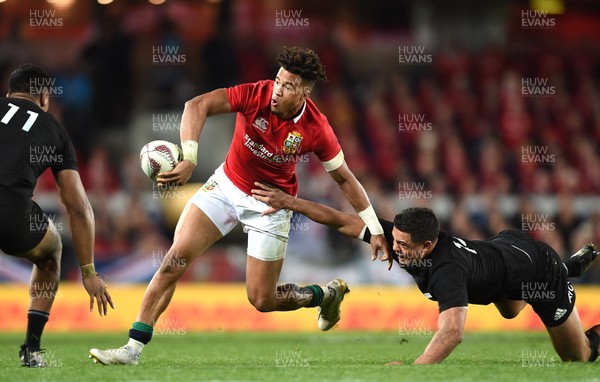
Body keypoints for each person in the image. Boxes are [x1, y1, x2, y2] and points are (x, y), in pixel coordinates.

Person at [89, 46, 390, 365]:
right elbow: (197, 104)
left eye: (288, 86)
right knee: (173, 261)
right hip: (226, 185)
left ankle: (323, 295)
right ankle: (132, 349)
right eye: (278, 80)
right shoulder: (255, 94)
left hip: (270, 204)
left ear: (304, 92)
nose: (277, 90)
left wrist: (374, 228)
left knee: (262, 299)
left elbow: (344, 179)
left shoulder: (317, 128)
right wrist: (190, 156)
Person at [249, 182, 600, 364]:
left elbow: (451, 334)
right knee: (509, 308)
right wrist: (291, 202)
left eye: (403, 246)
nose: (394, 249)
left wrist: (414, 369)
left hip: (536, 266)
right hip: (503, 253)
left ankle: (564, 270)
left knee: (577, 357)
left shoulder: (446, 270)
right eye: (394, 239)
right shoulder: (401, 238)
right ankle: (568, 267)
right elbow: (341, 219)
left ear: (428, 246)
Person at [0, 64, 114, 367]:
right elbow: (77, 205)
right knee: (51, 252)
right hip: (10, 218)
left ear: (8, 93)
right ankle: (31, 350)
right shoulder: (53, 129)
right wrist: (88, 271)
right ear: (45, 98)